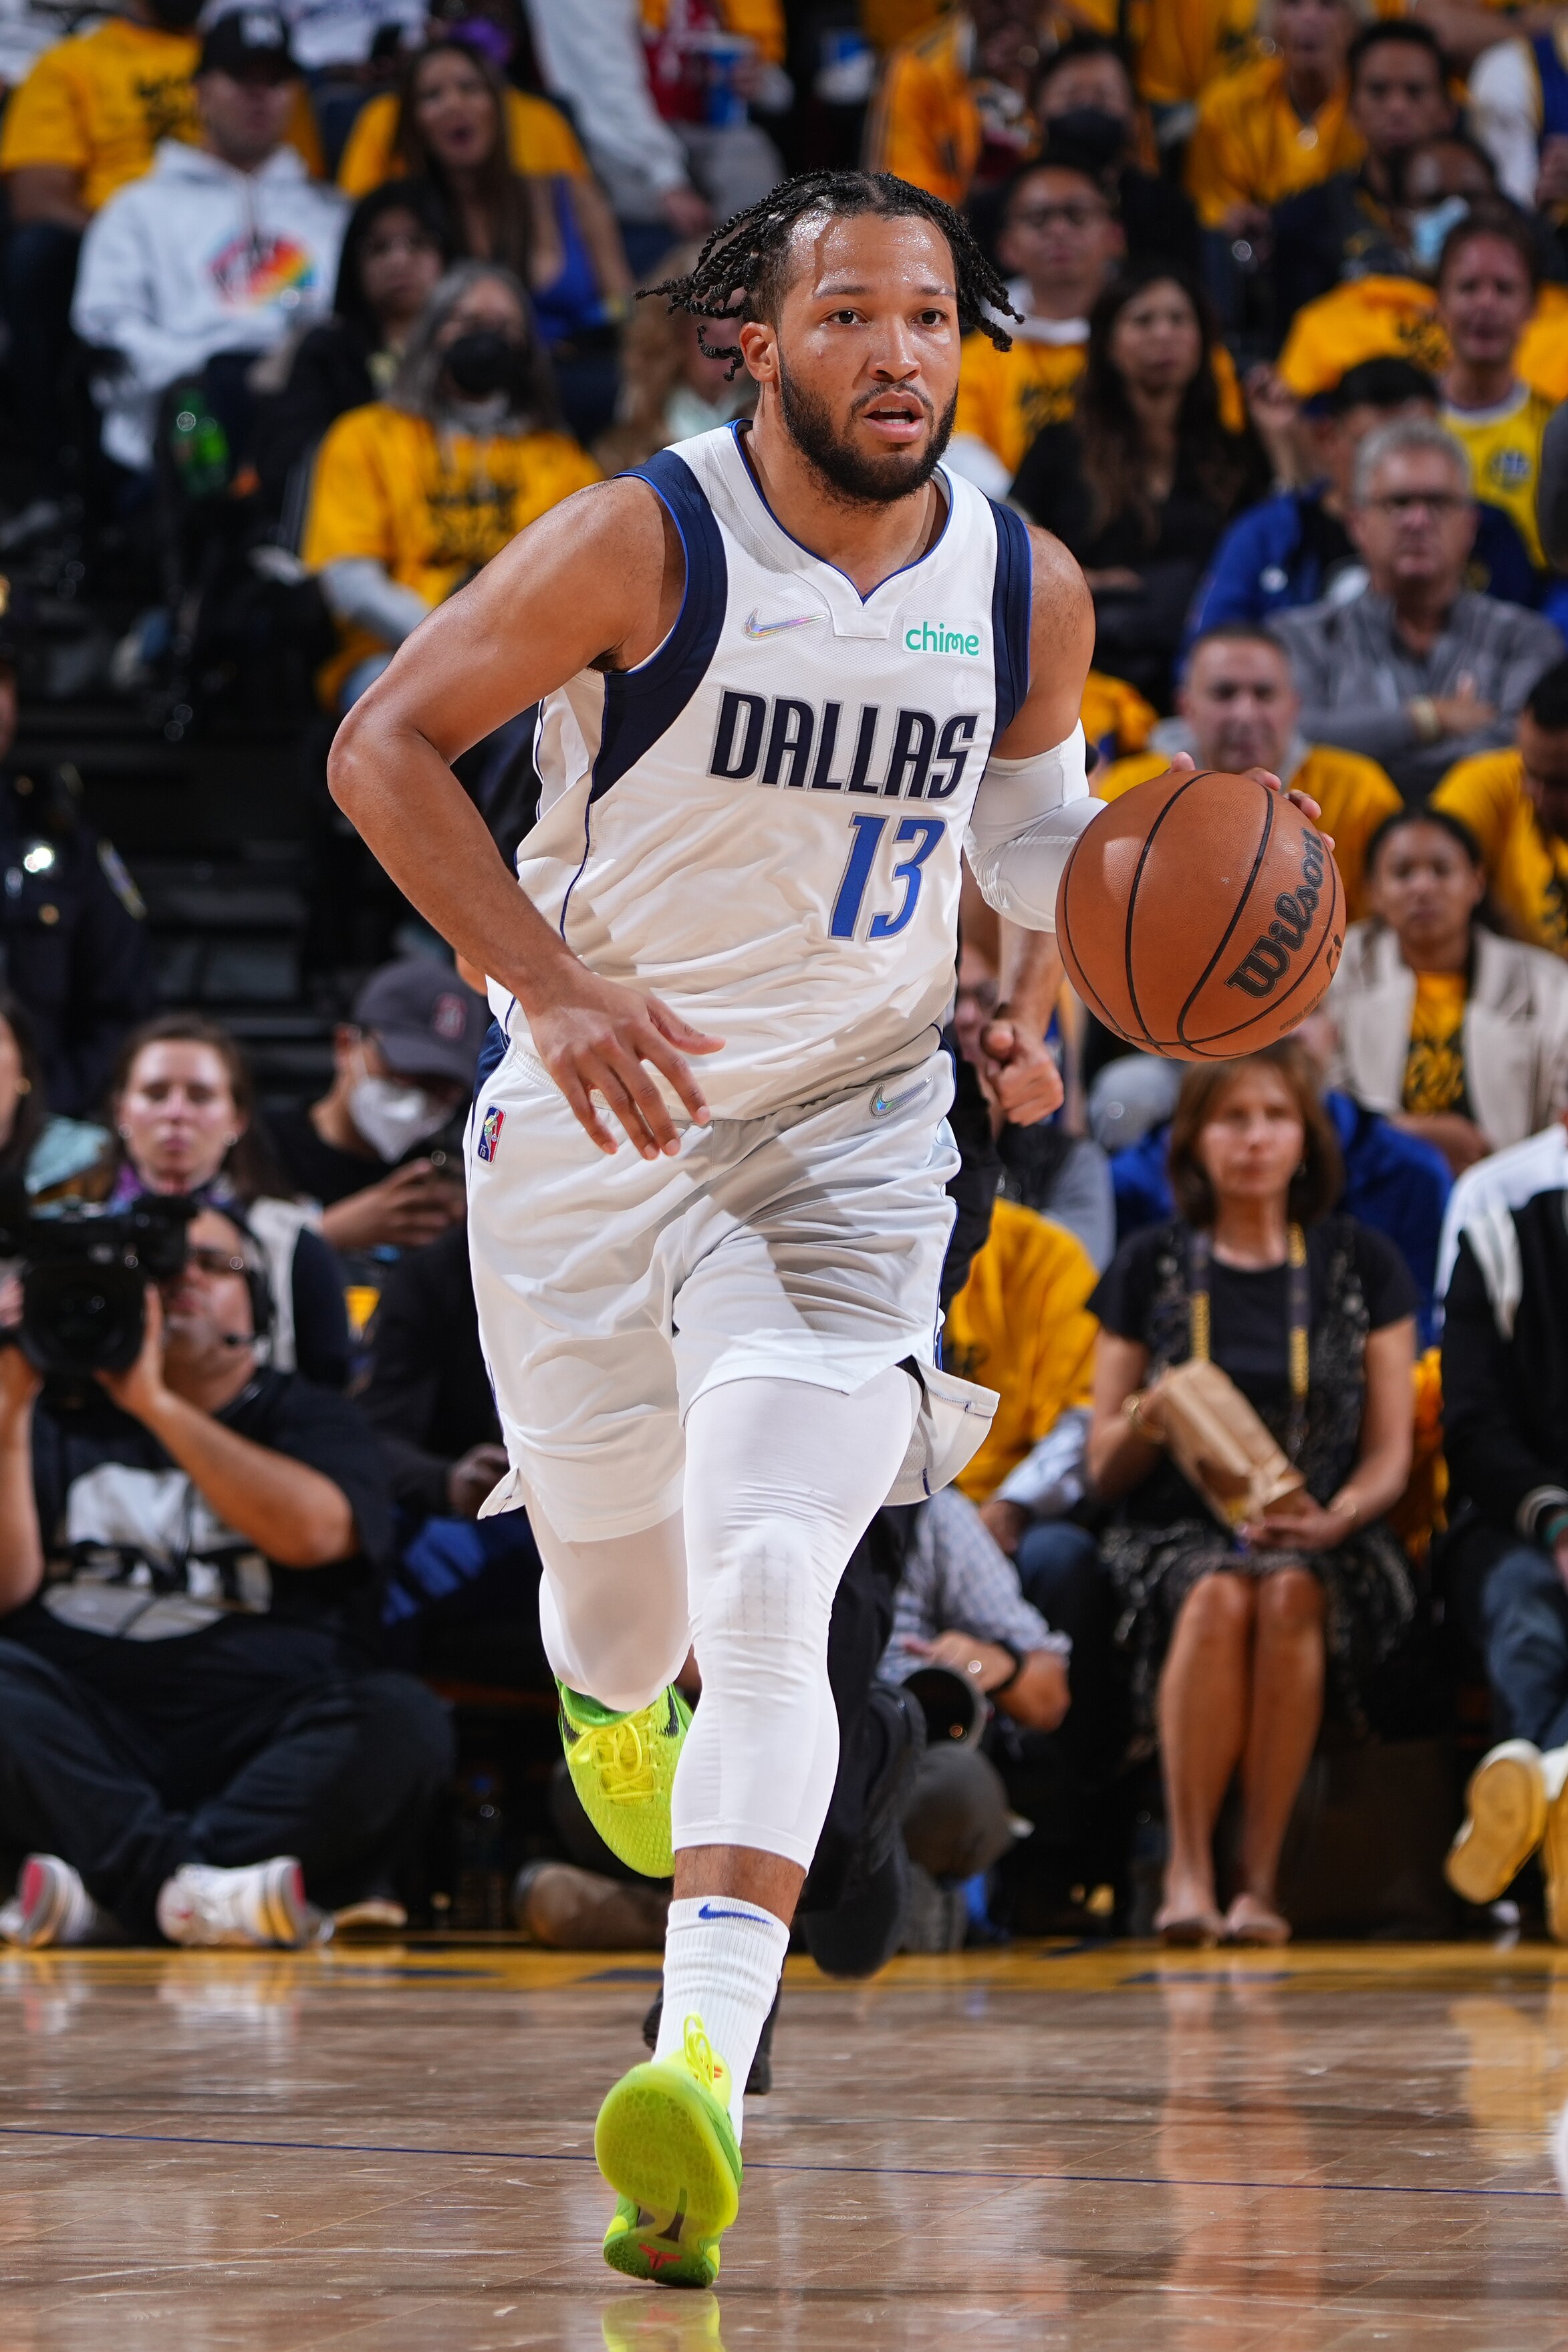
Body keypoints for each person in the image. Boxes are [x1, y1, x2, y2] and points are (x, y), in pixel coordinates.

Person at [321, 162, 1186, 2286]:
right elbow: (383, 748)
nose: (897, 355)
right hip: (595, 1128)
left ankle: (692, 2084)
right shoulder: (641, 538)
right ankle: (624, 1722)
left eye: (928, 320)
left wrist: (1032, 984)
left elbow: (1033, 832)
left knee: (780, 1570)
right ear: (754, 341)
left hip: (847, 1136)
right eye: (849, 318)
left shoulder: (1018, 585)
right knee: (616, 1632)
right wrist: (547, 974)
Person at [0, 1202, 453, 1949]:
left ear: (260, 1306)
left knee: (402, 1721)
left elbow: (316, 1531)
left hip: (258, 1728)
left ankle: (111, 1897)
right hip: (84, 1727)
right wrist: (12, 1407)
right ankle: (191, 1895)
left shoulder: (311, 1415)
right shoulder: (49, 1414)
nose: (185, 1281)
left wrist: (155, 1403)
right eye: (165, 1268)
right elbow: (8, 1588)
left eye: (214, 1265)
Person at [1087, 1043, 1418, 1947]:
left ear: (1304, 1139)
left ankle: (1257, 1877)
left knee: (1285, 1590)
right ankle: (1187, 1866)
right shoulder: (1147, 1264)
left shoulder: (1362, 1260)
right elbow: (1099, 1463)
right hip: (1173, 1529)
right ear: (1191, 1143)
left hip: (1326, 1526)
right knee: (1216, 1591)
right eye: (1231, 1119)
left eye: (1273, 1117)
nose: (1253, 1139)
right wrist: (1152, 1415)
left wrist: (1334, 1514)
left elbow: (1389, 1453)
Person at [0, 0, 321, 481]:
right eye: (241, 81)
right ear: (202, 93)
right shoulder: (73, 64)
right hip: (165, 321)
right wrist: (151, 236)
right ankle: (53, 473)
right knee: (41, 258)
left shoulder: (322, 206)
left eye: (274, 83)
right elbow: (36, 196)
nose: (259, 98)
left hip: (290, 380)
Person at [301, 262, 600, 709]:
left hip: (527, 665)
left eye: (505, 326)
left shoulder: (559, 457)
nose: (488, 337)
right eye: (471, 323)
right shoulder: (366, 436)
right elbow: (350, 584)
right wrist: (457, 645)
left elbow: (586, 588)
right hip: (396, 654)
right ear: (433, 331)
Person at [1011, 261, 1269, 708]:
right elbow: (1008, 550)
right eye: (1143, 321)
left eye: (1178, 320)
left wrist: (1278, 436)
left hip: (1206, 668)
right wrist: (1075, 578)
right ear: (1109, 343)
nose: (1163, 335)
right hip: (1092, 666)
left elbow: (1273, 547)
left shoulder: (1235, 452)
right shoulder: (1059, 446)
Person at [1268, 417, 1564, 801]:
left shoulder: (1526, 638)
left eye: (1438, 502)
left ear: (1470, 525)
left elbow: (1524, 751)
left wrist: (1365, 754)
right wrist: (1430, 719)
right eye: (1399, 502)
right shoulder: (1300, 637)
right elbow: (1293, 737)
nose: (1418, 520)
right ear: (1358, 523)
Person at [338, 33, 632, 397]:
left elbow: (626, 309)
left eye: (470, 88)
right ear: (413, 123)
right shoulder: (407, 222)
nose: (454, 105)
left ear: (498, 104)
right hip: (454, 395)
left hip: (579, 383)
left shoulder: (572, 194)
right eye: (432, 96)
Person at [1187, 358, 1540, 641]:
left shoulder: (1489, 529)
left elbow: (1536, 641)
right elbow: (1207, 654)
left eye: (1416, 441)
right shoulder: (1263, 535)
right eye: (1371, 444)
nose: (1394, 463)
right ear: (1327, 440)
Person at [1440, 1179, 1568, 1938]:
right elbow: (1473, 1428)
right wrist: (1557, 1526)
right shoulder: (1501, 1238)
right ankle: (1550, 1854)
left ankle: (1524, 1818)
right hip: (1514, 1523)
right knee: (1529, 1623)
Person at [102, 1013, 351, 1389]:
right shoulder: (71, 1231)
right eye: (155, 1094)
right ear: (122, 1111)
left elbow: (330, 1389)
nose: (176, 1113)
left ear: (237, 1119)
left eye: (200, 1096)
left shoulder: (289, 1241)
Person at [1324, 806, 1568, 1178]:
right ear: (1373, 892)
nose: (1423, 887)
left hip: (1511, 1195)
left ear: (1477, 882)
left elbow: (1560, 1115)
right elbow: (1317, 1096)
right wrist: (1406, 1135)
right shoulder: (1333, 969)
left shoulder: (1549, 985)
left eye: (1442, 870)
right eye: (1403, 873)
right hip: (1370, 1186)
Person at [1099, 626, 1401, 922]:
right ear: (1186, 708)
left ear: (1294, 707)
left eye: (1264, 694)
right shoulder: (1132, 789)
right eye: (1224, 693)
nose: (1244, 714)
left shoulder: (1359, 788)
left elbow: (1389, 935)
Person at [876, 1483, 1071, 1940]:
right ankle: (882, 1902)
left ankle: (827, 1900)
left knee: (962, 1786)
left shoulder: (934, 1510)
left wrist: (987, 1660)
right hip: (778, 1746)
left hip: (898, 1753)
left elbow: (1051, 1694)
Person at [0, 654, 154, 1118]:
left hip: (46, 1130)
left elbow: (126, 1007)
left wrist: (47, 1109)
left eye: (2, 680)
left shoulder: (61, 838)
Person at [252, 178, 451, 517]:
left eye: (417, 244)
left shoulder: (472, 345)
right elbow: (290, 465)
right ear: (353, 265)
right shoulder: (327, 352)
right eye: (379, 248)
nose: (399, 260)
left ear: (447, 254)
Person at [267, 958, 485, 1255]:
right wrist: (325, 1234)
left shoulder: (458, 1176)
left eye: (443, 1086)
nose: (420, 1098)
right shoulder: (260, 1147)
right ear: (346, 1045)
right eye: (405, 1071)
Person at [947, 149, 1127, 499]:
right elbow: (958, 447)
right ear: (1007, 246)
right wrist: (1026, 521)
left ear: (1114, 236)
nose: (1058, 230)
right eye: (1039, 217)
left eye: (1076, 215)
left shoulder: (1159, 339)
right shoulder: (969, 358)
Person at [1270, 21, 1453, 329]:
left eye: (1415, 92)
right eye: (1378, 91)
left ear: (1448, 110)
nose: (1396, 107)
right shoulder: (1304, 222)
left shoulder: (1491, 219)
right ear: (1352, 108)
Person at [1186, 0, 1361, 257]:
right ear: (1272, 21)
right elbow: (1212, 212)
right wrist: (1235, 218)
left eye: (1328, 4)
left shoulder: (1376, 98)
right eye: (1292, 4)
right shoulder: (1229, 106)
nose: (1309, 17)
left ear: (1355, 22)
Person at [1436, 205, 1556, 574]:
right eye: (1468, 287)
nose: (1485, 304)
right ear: (1437, 303)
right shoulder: (1402, 421)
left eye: (1504, 289)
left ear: (1533, 308)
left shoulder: (1557, 431)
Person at [1034, 34, 1200, 277]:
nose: (1087, 105)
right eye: (1071, 96)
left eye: (1104, 96)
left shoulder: (1169, 211)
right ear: (1037, 110)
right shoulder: (1002, 206)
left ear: (1135, 118)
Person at [1434, 657, 1568, 955]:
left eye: (1562, 784)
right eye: (1530, 773)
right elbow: (1427, 857)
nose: (1539, 796)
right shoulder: (1491, 782)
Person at [594, 236, 755, 475]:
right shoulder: (633, 436)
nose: (722, 329)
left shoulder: (785, 426)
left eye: (737, 313)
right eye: (704, 312)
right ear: (671, 330)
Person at [862, 0, 1046, 209]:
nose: (1007, 6)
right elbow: (902, 200)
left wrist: (1034, 101)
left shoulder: (1082, 50)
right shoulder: (918, 67)